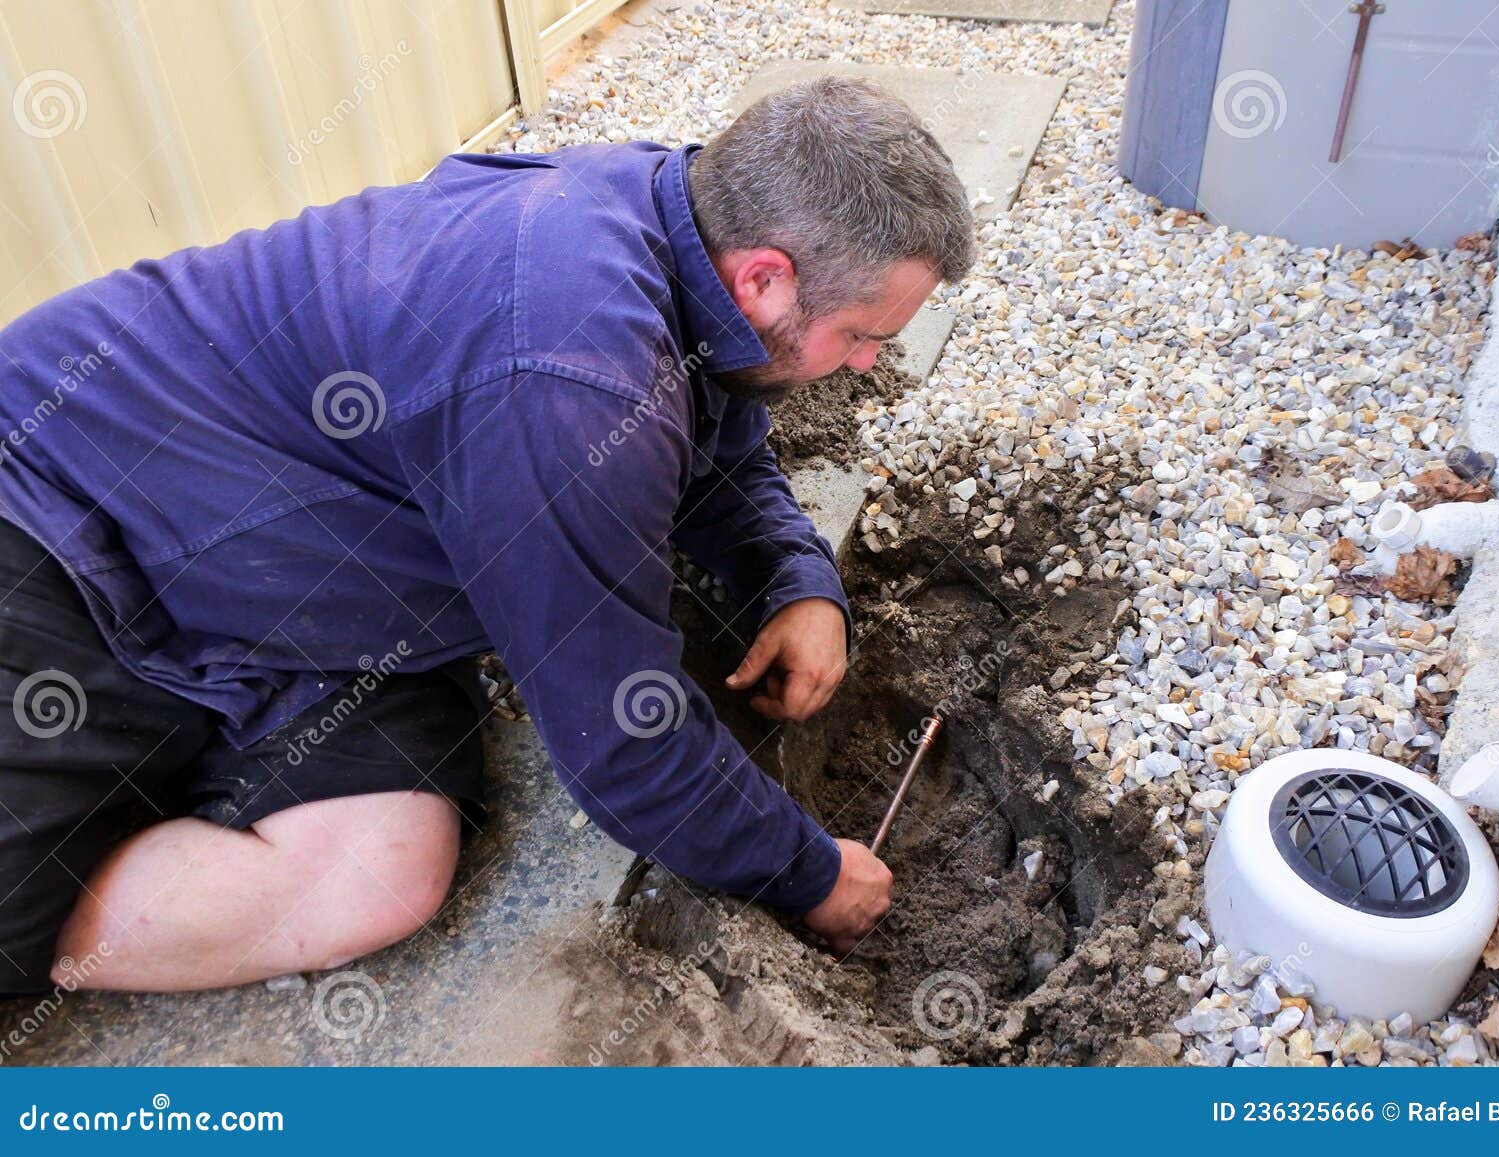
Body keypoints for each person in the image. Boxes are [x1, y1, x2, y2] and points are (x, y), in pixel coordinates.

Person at [0, 76, 974, 994]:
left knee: (381, 874)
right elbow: (626, 735)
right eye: (857, 335)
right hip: (64, 509)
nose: (863, 363)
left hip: (310, 558)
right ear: (764, 277)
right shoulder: (572, 381)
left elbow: (719, 446)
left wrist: (793, 579)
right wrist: (805, 871)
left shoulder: (679, 223)